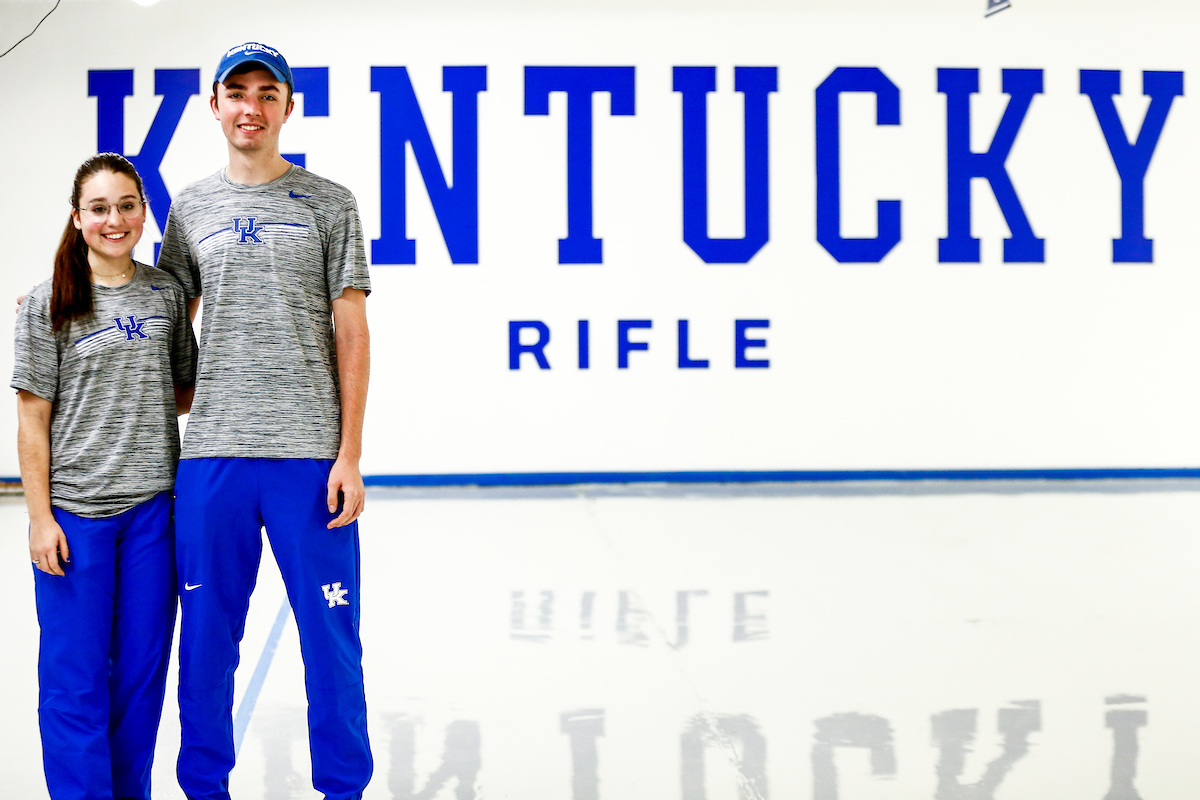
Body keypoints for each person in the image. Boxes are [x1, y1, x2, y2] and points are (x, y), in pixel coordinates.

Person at [156, 42, 373, 800]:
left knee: (330, 642)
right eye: (236, 91)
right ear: (215, 105)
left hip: (308, 458)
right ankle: (203, 787)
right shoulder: (190, 209)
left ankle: (343, 787)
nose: (251, 105)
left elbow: (352, 330)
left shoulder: (329, 202)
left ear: (288, 106)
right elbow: (162, 320)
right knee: (209, 645)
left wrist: (349, 453)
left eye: (267, 93)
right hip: (212, 456)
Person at [13, 153, 198, 800]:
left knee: (140, 679)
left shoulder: (166, 294)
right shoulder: (46, 305)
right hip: (75, 517)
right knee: (75, 680)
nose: (114, 219)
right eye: (99, 208)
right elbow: (32, 421)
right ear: (78, 218)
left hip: (152, 512)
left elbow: (181, 389)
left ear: (144, 213)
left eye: (126, 205)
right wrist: (39, 519)